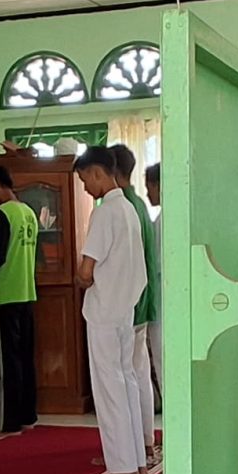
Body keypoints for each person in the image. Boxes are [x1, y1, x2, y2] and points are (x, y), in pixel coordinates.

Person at [77, 147, 148, 474]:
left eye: (84, 180)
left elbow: (86, 270)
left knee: (109, 389)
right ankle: (136, 460)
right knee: (126, 382)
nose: (85, 188)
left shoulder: (105, 212)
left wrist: (81, 279)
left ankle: (122, 469)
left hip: (104, 312)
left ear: (96, 172)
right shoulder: (129, 209)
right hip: (125, 310)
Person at [0, 165, 42, 433]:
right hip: (27, 292)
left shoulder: (2, 214)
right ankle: (28, 414)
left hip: (5, 293)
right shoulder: (28, 212)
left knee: (8, 360)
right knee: (26, 357)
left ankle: (10, 419)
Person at [110, 144, 161, 446]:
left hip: (129, 302)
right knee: (140, 370)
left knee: (126, 373)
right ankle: (145, 439)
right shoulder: (139, 204)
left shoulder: (121, 206)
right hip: (144, 298)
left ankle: (130, 446)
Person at [144, 161, 163, 407]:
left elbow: (155, 265)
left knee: (163, 360)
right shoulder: (161, 219)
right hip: (163, 301)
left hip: (161, 301)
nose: (148, 194)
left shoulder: (161, 223)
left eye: (149, 188)